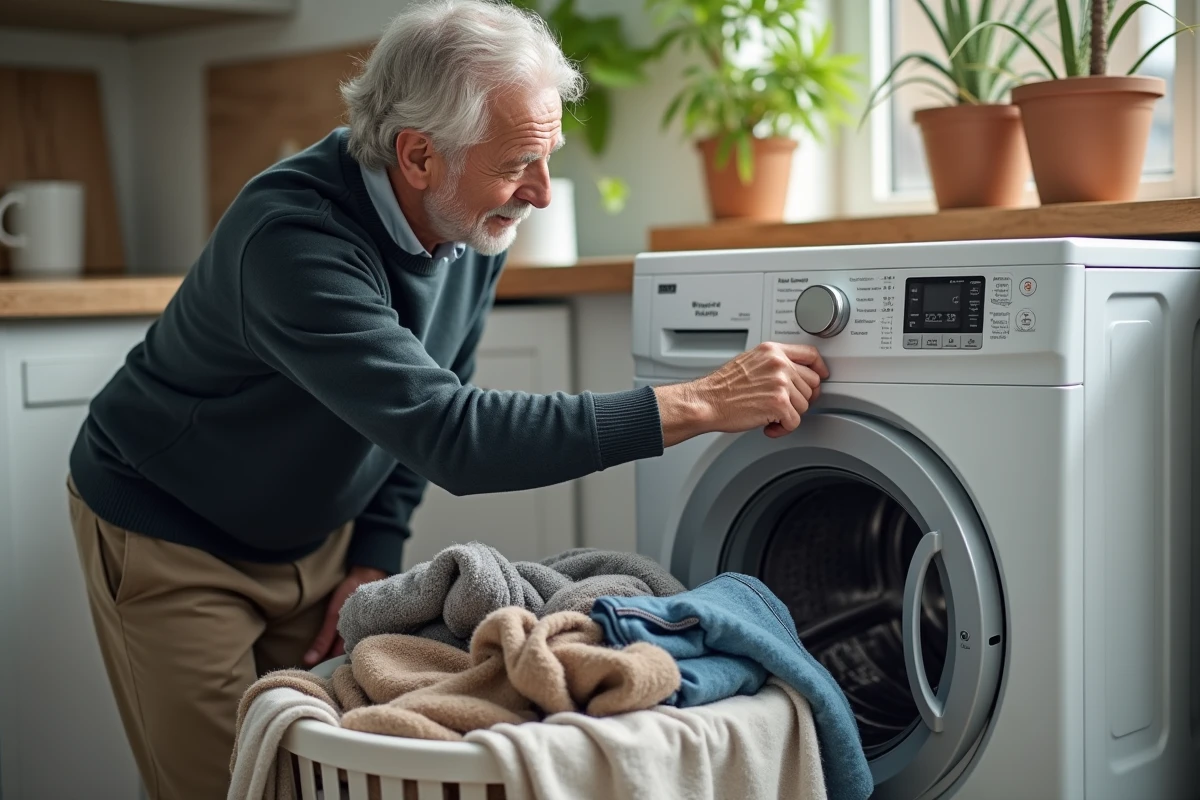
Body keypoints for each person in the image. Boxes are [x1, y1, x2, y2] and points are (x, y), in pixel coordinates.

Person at [64, 0, 829, 797]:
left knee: (323, 776)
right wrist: (699, 403)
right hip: (175, 534)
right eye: (519, 163)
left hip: (314, 530)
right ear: (420, 155)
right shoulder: (292, 240)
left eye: (547, 158)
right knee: (233, 785)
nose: (540, 192)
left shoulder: (471, 218)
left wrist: (373, 549)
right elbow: (451, 432)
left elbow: (433, 391)